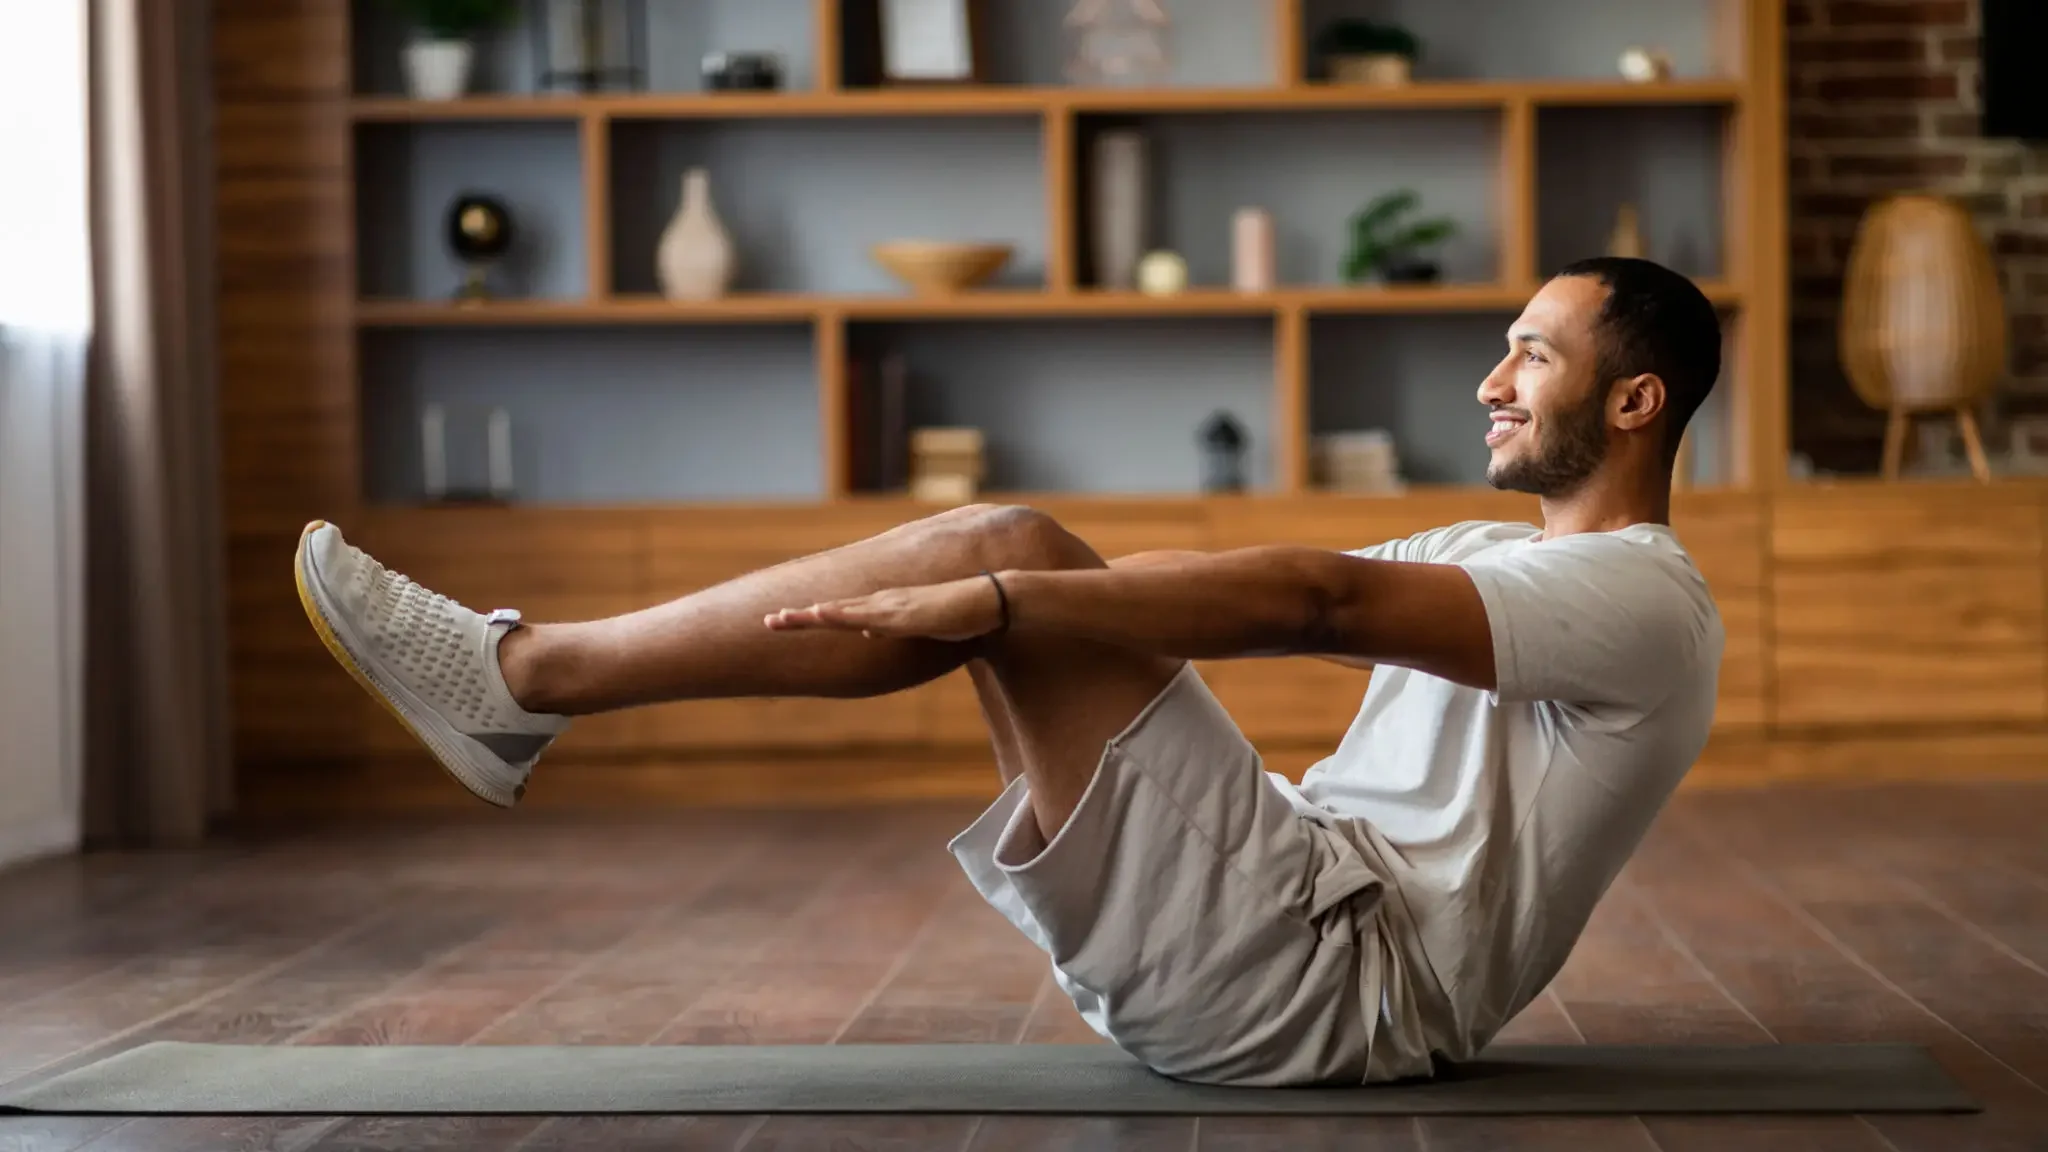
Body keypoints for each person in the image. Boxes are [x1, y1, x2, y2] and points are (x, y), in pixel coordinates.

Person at [292, 256, 1725, 1087]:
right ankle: (523, 683)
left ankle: (525, 676)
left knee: (1007, 547)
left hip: (1329, 987)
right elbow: (1221, 588)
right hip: (1290, 907)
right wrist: (1019, 599)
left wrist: (1000, 587)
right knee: (1014, 563)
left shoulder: (1646, 603)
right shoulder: (1497, 543)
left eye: (1531, 357)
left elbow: (1316, 599)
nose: (1492, 381)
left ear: (1634, 399)